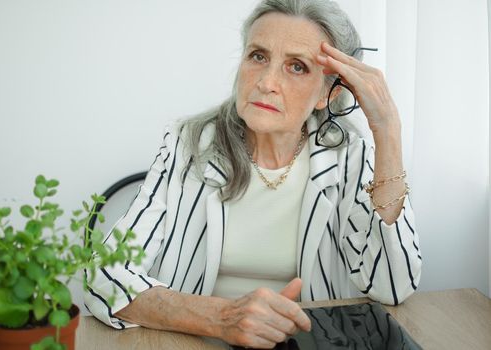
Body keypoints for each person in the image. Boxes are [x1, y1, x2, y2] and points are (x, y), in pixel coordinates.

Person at [84, 0, 422, 348]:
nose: (266, 82)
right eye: (258, 56)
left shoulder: (349, 155)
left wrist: (387, 131)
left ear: (328, 93)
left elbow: (392, 286)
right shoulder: (187, 145)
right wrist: (221, 318)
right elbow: (102, 276)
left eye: (297, 66)